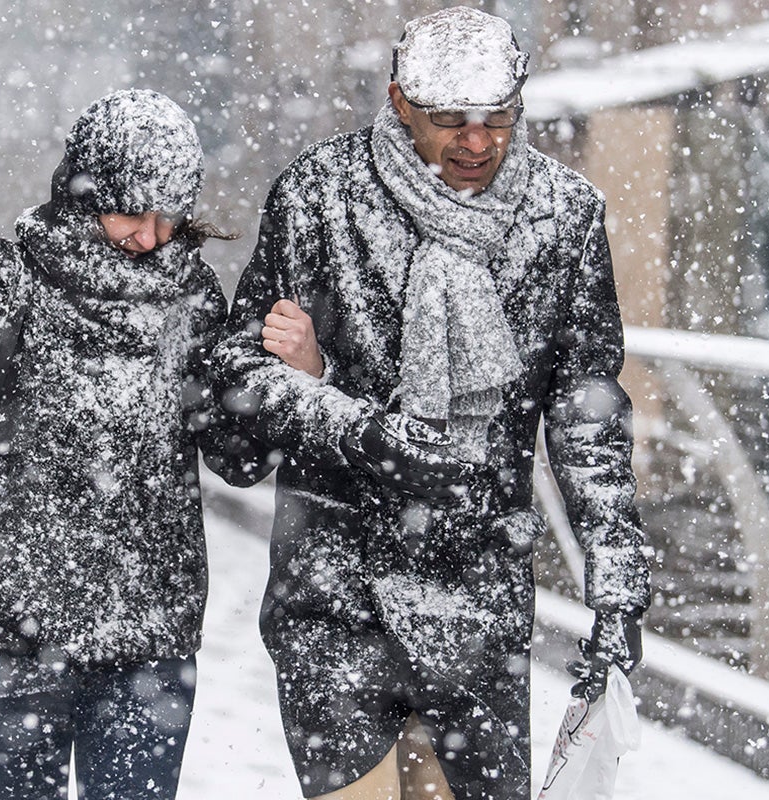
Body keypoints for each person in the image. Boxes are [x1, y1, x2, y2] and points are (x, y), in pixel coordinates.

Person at [214, 7, 651, 800]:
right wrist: (354, 423)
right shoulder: (320, 197)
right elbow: (237, 399)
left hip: (478, 594)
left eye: (498, 118)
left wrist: (616, 582)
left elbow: (587, 413)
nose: (477, 142)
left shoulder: (565, 217)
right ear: (398, 101)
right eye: (450, 121)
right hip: (335, 585)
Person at [0, 89, 269, 800]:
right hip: (5, 637)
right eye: (130, 212)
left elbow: (238, 459)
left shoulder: (194, 296)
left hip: (148, 639)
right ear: (82, 192)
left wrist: (283, 378)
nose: (149, 236)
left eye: (168, 216)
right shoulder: (7, 277)